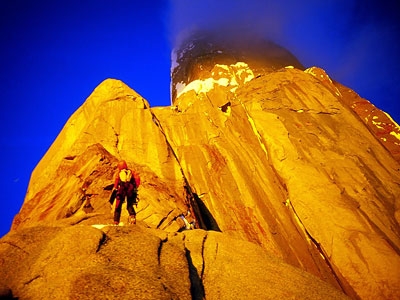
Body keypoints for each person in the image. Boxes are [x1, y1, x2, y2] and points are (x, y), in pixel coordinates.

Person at [112, 160, 140, 225]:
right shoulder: (131, 172)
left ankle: (116, 221)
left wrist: (115, 188)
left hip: (121, 190)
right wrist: (135, 187)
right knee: (129, 205)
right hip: (130, 190)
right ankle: (132, 217)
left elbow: (116, 182)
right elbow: (137, 179)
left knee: (118, 206)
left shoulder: (119, 173)